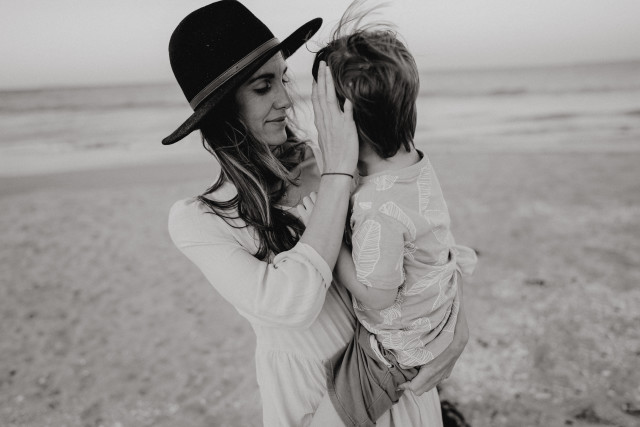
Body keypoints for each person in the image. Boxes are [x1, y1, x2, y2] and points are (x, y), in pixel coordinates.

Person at [163, 1, 469, 425]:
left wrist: (456, 327)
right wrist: (338, 175)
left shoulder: (324, 158)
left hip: (398, 382)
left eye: (283, 78)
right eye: (263, 87)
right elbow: (293, 304)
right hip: (316, 400)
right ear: (222, 110)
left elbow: (420, 239)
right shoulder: (199, 220)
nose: (286, 100)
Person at [305, 18, 478, 427]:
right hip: (433, 317)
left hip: (394, 352)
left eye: (322, 109)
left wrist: (333, 247)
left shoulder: (377, 209)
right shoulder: (414, 164)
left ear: (344, 124)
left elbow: (377, 296)